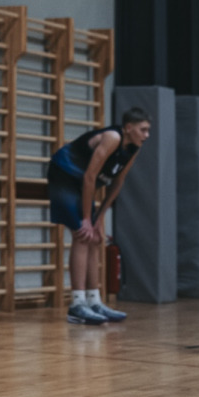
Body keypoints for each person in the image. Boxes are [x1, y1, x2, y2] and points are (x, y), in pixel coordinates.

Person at [47, 108, 151, 324]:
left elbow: (118, 181)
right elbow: (90, 177)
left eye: (148, 130)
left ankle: (94, 301)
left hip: (83, 183)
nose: (146, 135)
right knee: (82, 234)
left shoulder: (134, 148)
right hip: (65, 174)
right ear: (128, 128)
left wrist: (100, 216)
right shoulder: (112, 138)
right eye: (143, 130)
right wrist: (86, 219)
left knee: (96, 238)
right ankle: (77, 304)